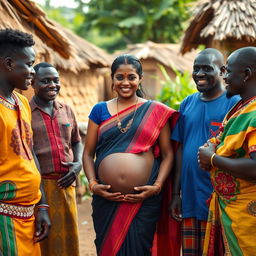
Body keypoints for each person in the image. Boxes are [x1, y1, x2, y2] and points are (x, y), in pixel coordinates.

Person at [83, 54, 178, 255]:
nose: (125, 83)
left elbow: (168, 154)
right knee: (107, 248)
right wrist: (93, 185)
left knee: (140, 248)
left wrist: (156, 187)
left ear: (140, 78)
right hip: (107, 200)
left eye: (131, 77)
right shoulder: (99, 110)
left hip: (143, 200)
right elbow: (88, 152)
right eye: (120, 77)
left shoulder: (155, 111)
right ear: (112, 78)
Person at [169, 48, 240, 255]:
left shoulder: (233, 103)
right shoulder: (187, 103)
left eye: (207, 68)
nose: (199, 73)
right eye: (196, 68)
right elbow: (180, 149)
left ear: (222, 71)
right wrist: (176, 193)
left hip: (219, 196)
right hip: (190, 195)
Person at [198, 47, 256, 255]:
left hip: (247, 214)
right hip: (232, 209)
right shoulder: (242, 107)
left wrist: (213, 159)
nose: (224, 77)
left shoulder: (254, 113)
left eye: (228, 71)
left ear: (246, 74)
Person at [0, 29, 50, 255]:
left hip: (28, 218)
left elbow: (30, 154)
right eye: (29, 64)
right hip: (4, 221)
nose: (32, 72)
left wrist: (42, 205)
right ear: (9, 64)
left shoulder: (21, 102)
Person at [30, 62, 83, 256]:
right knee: (46, 240)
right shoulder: (26, 113)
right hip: (41, 188)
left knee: (69, 241)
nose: (52, 85)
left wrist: (78, 165)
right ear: (32, 83)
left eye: (56, 80)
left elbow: (77, 142)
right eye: (45, 81)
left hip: (66, 187)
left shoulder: (67, 110)